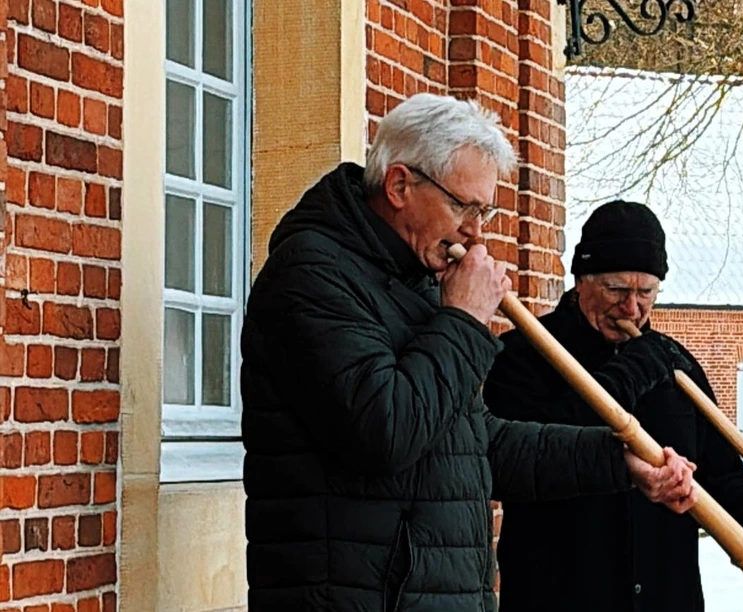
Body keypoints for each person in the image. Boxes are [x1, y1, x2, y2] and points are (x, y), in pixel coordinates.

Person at [239, 95, 699, 612]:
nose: (475, 231)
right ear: (399, 186)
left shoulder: (413, 281)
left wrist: (619, 462)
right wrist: (461, 319)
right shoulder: (311, 276)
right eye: (463, 207)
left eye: (484, 211)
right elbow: (385, 432)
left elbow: (480, 445)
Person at [483, 200, 743, 611]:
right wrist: (630, 374)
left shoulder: (675, 368)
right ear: (581, 280)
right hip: (558, 598)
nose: (632, 308)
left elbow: (722, 481)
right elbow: (525, 462)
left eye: (646, 292)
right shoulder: (523, 355)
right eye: (617, 290)